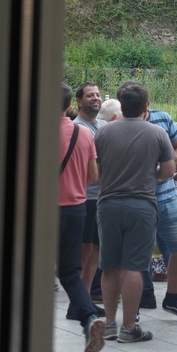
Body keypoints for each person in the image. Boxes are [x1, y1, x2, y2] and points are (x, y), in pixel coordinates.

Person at [94, 80, 176, 343]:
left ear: (121, 105)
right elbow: (170, 170)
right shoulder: (157, 133)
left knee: (109, 265)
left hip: (108, 204)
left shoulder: (103, 132)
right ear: (145, 107)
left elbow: (96, 170)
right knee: (134, 267)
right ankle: (129, 327)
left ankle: (109, 323)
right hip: (142, 205)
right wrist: (151, 174)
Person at [58, 83, 105, 352]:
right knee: (70, 272)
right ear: (69, 104)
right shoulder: (84, 133)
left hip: (46, 210)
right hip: (77, 208)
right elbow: (94, 176)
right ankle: (88, 316)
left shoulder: (36, 131)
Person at [142, 103, 177, 321]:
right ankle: (138, 303)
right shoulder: (120, 125)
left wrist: (165, 164)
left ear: (146, 105)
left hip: (167, 197)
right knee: (138, 254)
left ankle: (173, 297)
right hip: (139, 199)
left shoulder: (162, 118)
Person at [71, 82, 104, 304]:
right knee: (84, 251)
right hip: (84, 197)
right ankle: (78, 300)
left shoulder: (104, 126)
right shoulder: (77, 128)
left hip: (102, 197)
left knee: (96, 251)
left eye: (98, 94)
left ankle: (86, 298)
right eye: (90, 95)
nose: (95, 98)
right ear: (79, 101)